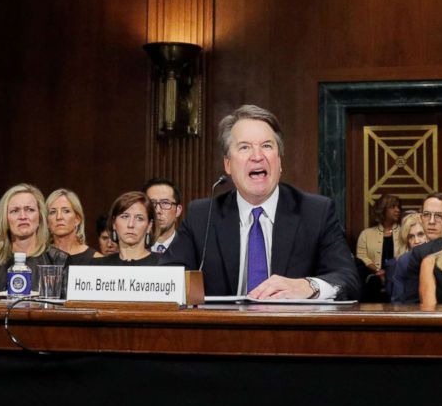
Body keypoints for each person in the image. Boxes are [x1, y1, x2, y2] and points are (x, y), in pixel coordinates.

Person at [160, 104, 359, 300]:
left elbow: (347, 279)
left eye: (266, 146)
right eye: (245, 147)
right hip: (222, 330)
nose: (257, 156)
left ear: (279, 161)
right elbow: (165, 279)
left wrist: (309, 286)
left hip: (292, 330)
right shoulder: (203, 215)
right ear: (228, 165)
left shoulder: (316, 212)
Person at [0, 183, 63, 292]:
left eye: (30, 210)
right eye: (15, 211)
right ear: (5, 219)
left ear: (40, 217)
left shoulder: (58, 260)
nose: (23, 216)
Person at [94, 191, 160, 266]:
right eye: (125, 217)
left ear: (149, 225)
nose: (131, 224)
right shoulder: (98, 266)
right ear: (114, 223)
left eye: (139, 218)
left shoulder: (165, 264)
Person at [356, 194, 401, 294]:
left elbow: (408, 254)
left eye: (398, 207)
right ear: (383, 209)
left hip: (398, 280)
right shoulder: (366, 234)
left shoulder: (405, 232)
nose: (397, 210)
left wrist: (388, 272)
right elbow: (361, 256)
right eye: (393, 207)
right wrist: (377, 270)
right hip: (372, 282)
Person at [46, 188, 100, 263]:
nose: (59, 217)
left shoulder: (96, 259)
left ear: (77, 219)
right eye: (52, 212)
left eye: (66, 211)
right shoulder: (39, 258)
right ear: (47, 222)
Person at [387, 212, 428, 303]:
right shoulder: (401, 262)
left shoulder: (440, 257)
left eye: (421, 234)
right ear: (406, 241)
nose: (416, 241)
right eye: (411, 237)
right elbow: (397, 301)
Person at [144, 178, 184, 253]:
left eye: (165, 203)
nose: (158, 210)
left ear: (178, 210)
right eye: (152, 203)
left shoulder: (189, 248)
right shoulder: (132, 248)